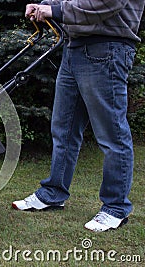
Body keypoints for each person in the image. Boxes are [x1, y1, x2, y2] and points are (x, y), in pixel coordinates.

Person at [12, 0, 145, 232]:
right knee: (63, 130)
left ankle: (115, 207)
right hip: (74, 49)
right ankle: (53, 193)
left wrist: (56, 11)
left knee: (111, 134)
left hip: (107, 48)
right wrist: (46, 6)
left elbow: (106, 3)